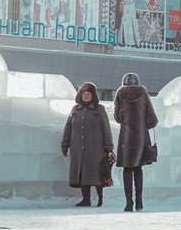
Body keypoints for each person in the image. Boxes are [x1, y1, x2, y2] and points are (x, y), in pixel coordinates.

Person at [112, 71, 158, 212]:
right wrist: (143, 126)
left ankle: (128, 202)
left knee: (127, 169)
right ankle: (139, 202)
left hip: (126, 137)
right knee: (138, 168)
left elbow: (117, 118)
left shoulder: (119, 95)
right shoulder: (143, 94)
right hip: (141, 136)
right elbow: (153, 119)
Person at [62, 81, 113, 207]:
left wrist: (108, 146)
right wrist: (65, 144)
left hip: (96, 148)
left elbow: (106, 127)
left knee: (97, 174)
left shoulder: (99, 109)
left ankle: (100, 198)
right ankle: (86, 199)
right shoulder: (75, 109)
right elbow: (68, 127)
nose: (86, 95)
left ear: (93, 95)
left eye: (88, 93)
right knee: (82, 174)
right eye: (84, 93)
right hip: (78, 147)